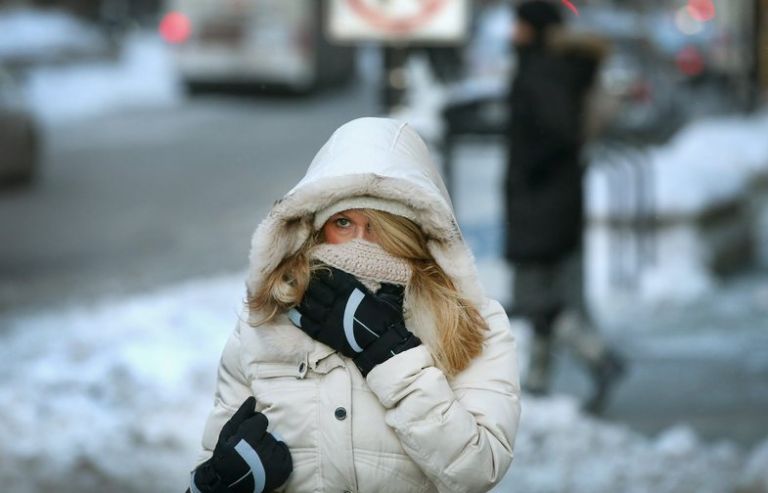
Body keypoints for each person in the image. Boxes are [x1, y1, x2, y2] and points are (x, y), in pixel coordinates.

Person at [187, 117, 521, 493]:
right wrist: (215, 484)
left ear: (411, 233)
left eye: (380, 224)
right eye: (343, 222)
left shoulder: (471, 321)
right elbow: (214, 452)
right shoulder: (268, 320)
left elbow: (478, 470)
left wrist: (388, 353)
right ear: (317, 227)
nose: (360, 241)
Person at [503, 0, 625, 413]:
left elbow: (555, 132)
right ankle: (538, 381)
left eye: (519, 25)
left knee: (536, 296)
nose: (512, 33)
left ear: (535, 30)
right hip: (552, 196)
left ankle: (598, 358)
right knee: (544, 292)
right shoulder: (550, 68)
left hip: (543, 198)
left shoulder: (540, 70)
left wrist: (528, 170)